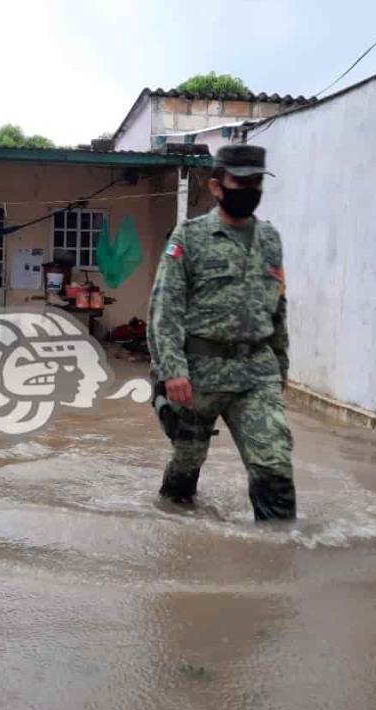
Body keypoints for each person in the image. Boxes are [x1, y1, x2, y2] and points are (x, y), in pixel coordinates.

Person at [146, 144, 296, 520]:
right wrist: (172, 370)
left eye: (256, 182)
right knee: (187, 461)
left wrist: (281, 365)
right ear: (217, 187)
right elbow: (165, 307)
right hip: (198, 374)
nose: (249, 189)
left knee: (274, 461)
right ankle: (174, 533)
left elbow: (277, 306)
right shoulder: (190, 237)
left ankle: (277, 559)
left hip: (255, 373)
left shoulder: (270, 240)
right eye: (240, 181)